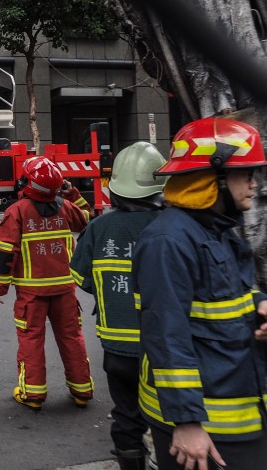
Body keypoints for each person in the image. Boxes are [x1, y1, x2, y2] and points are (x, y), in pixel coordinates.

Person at [133, 118, 267, 470]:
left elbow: (224, 299)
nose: (254, 184)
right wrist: (187, 422)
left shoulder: (216, 229)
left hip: (238, 411)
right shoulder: (169, 241)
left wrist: (259, 306)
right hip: (203, 430)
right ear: (215, 177)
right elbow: (166, 333)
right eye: (246, 174)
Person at [71, 142, 167, 470]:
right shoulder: (172, 226)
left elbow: (82, 278)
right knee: (167, 417)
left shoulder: (99, 228)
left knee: (126, 415)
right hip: (163, 348)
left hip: (117, 348)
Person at [0, 155, 94, 410]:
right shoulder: (65, 207)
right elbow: (87, 219)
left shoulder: (17, 212)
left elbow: (4, 251)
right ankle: (82, 390)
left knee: (31, 339)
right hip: (65, 290)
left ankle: (33, 394)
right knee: (72, 338)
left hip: (32, 293)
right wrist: (72, 193)